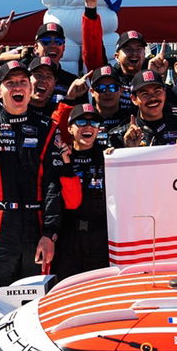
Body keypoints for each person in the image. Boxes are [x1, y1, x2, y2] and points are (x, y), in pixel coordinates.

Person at [0, 58, 65, 287]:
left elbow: (52, 185)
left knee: (36, 295)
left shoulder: (47, 127)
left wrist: (50, 233)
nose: (18, 87)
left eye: (23, 82)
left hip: (35, 223)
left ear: (30, 88)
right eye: (10, 83)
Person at [46, 104, 109, 281]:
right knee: (67, 290)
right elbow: (64, 202)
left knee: (99, 291)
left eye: (94, 124)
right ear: (69, 128)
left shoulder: (109, 156)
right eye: (81, 122)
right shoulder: (60, 158)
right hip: (69, 238)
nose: (88, 127)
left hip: (100, 237)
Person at [109, 70, 177, 148]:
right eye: (145, 94)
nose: (152, 98)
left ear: (165, 94)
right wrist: (128, 149)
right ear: (134, 99)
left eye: (157, 92)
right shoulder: (120, 135)